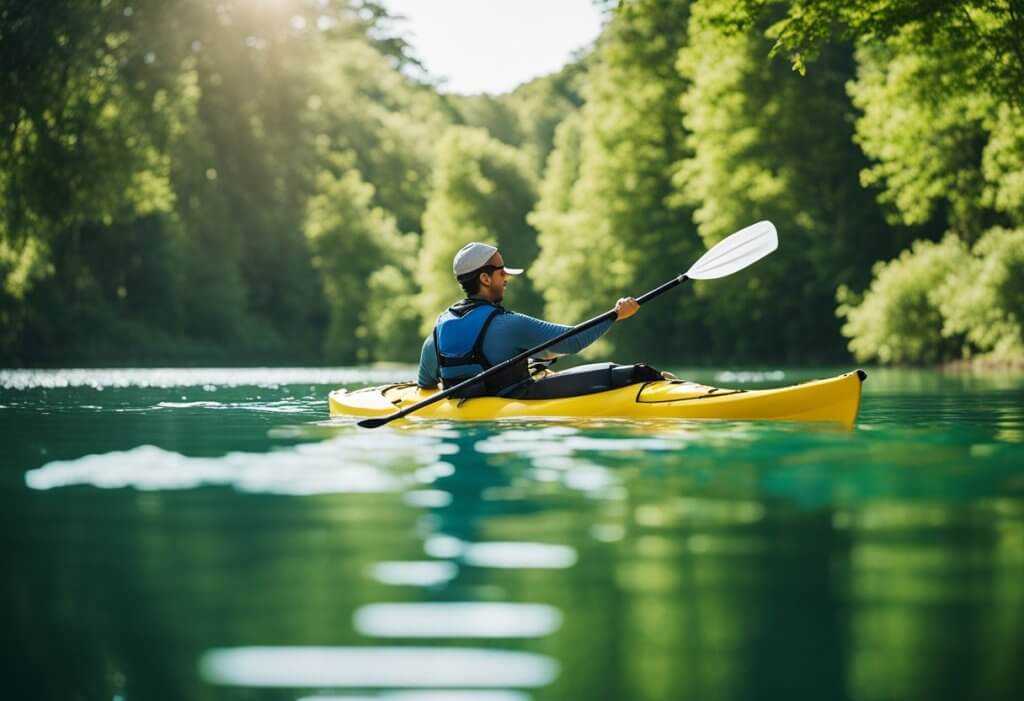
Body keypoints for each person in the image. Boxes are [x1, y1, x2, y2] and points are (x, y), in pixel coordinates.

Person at [417, 242, 656, 399]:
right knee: (626, 373)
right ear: (485, 279)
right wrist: (616, 314)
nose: (506, 279)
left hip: (468, 413)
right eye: (502, 273)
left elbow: (425, 384)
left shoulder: (437, 333)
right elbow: (572, 341)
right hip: (515, 406)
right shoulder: (508, 325)